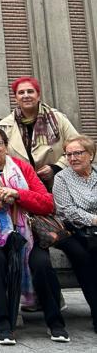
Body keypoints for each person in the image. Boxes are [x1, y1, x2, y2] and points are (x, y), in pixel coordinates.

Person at [0, 125, 70, 345]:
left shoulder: (23, 168)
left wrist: (18, 194)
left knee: (40, 263)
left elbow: (47, 203)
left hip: (29, 232)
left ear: (5, 146)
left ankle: (55, 323)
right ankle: (3, 324)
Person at [0, 76, 78, 191]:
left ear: (38, 95)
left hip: (58, 183)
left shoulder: (58, 118)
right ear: (15, 98)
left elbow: (78, 147)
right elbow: (0, 157)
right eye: (21, 92)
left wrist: (57, 167)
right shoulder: (4, 125)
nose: (26, 95)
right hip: (22, 188)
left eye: (30, 91)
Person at [53, 135, 97, 333]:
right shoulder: (62, 178)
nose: (72, 158)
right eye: (68, 154)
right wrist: (94, 219)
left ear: (91, 154)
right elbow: (67, 211)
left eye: (78, 153)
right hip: (73, 230)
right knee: (85, 259)